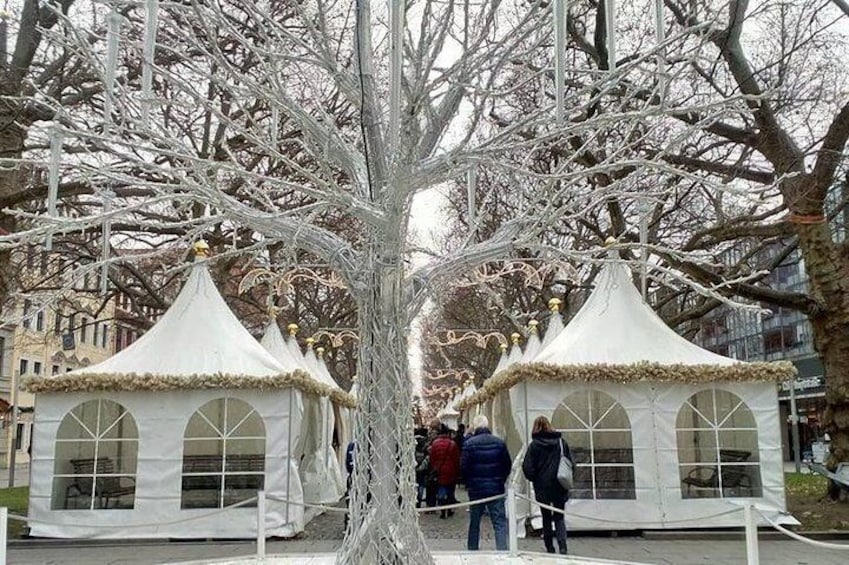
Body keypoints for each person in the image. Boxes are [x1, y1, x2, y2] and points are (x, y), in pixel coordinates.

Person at [460, 414, 511, 551]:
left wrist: (469, 482)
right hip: (496, 488)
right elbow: (507, 465)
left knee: (474, 522)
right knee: (499, 522)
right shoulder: (499, 443)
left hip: (476, 489)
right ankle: (502, 551)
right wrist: (501, 479)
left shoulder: (469, 444)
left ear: (475, 427)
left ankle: (472, 550)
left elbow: (463, 467)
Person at [522, 415, 572, 555]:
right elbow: (570, 462)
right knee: (559, 516)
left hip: (542, 485)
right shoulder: (561, 442)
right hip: (559, 484)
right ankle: (563, 545)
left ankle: (549, 546)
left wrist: (534, 478)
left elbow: (527, 467)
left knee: (546, 517)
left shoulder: (534, 446)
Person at [429, 424, 461, 518]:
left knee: (441, 489)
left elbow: (432, 458)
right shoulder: (452, 444)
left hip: (439, 471)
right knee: (450, 490)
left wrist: (434, 469)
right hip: (451, 471)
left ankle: (443, 512)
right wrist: (457, 471)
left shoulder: (435, 443)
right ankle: (449, 509)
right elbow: (456, 459)